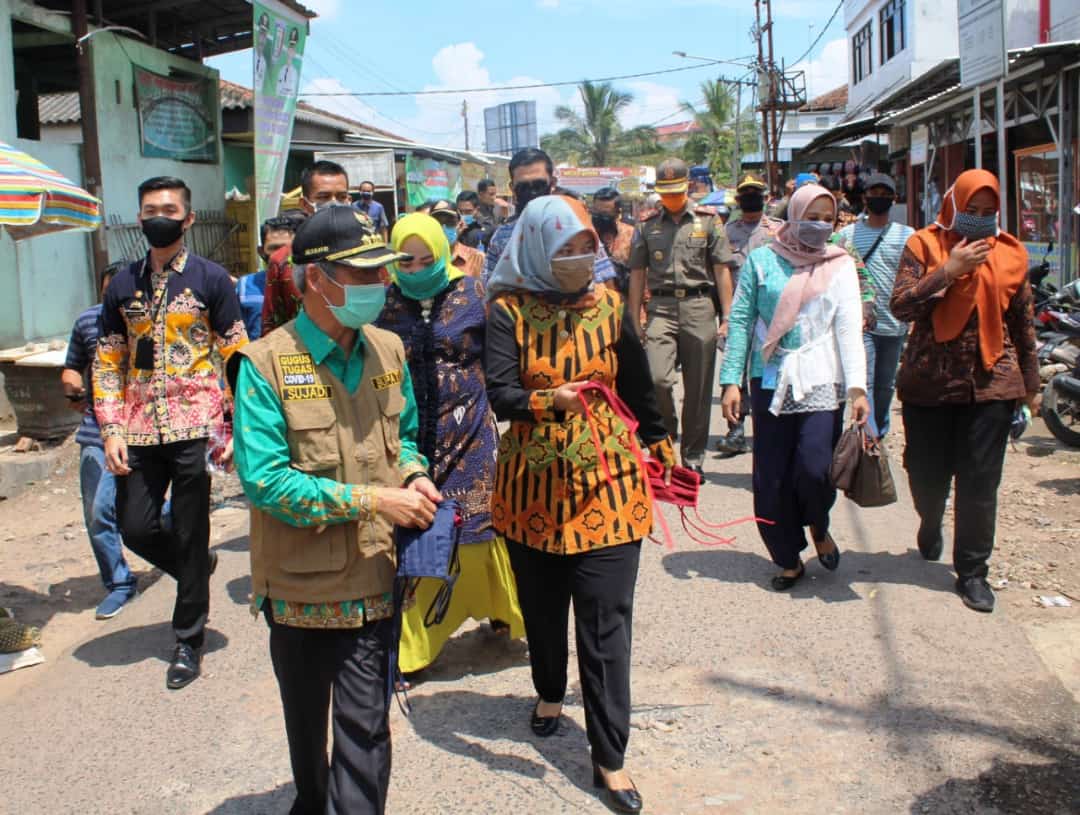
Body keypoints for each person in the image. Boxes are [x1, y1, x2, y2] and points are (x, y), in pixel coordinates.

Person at [231, 206, 439, 815]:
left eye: (383, 275)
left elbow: (404, 437)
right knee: (307, 730)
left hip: (374, 577)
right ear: (317, 279)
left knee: (365, 730)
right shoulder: (264, 363)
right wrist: (375, 500)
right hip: (299, 587)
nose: (381, 287)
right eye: (365, 275)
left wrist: (416, 474)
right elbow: (266, 482)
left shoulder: (389, 348)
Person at [484, 194, 675, 815]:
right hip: (531, 489)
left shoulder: (611, 302)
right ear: (538, 247)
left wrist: (659, 441)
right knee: (542, 611)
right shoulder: (507, 311)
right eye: (565, 248)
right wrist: (550, 401)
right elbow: (502, 392)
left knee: (605, 621)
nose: (579, 257)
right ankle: (547, 691)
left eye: (586, 245)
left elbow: (639, 379)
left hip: (609, 479)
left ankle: (610, 758)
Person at [94, 176, 248, 689]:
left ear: (188, 219)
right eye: (150, 208)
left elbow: (236, 352)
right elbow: (108, 361)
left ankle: (188, 640)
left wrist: (234, 426)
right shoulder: (121, 284)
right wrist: (111, 428)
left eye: (169, 208)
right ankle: (195, 567)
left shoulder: (211, 280)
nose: (158, 215)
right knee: (135, 526)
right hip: (138, 427)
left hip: (195, 425)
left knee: (189, 526)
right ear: (139, 218)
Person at [376, 212, 524, 676]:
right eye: (407, 262)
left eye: (426, 260)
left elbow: (506, 351)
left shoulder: (475, 293)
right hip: (408, 437)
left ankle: (502, 610)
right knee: (417, 528)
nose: (416, 271)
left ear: (443, 252)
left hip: (471, 433)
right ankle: (416, 645)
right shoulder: (383, 303)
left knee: (477, 527)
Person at [890, 169, 1039, 614]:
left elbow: (1023, 324)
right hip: (928, 384)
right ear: (952, 204)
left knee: (979, 483)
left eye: (987, 213)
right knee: (926, 473)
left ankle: (973, 572)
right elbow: (901, 306)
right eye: (970, 211)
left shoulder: (1012, 254)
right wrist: (949, 271)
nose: (977, 220)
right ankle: (930, 520)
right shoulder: (924, 244)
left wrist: (1031, 386)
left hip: (992, 384)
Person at [719, 183, 869, 591]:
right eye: (811, 217)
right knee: (771, 479)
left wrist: (857, 387)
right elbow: (741, 320)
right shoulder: (763, 261)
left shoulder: (839, 264)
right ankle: (787, 557)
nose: (819, 226)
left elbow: (847, 327)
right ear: (792, 215)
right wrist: (731, 380)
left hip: (821, 378)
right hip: (769, 379)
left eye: (827, 218)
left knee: (815, 469)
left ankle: (818, 525)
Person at [627, 158, 735, 480]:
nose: (671, 197)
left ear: (687, 186)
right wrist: (633, 319)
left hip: (700, 307)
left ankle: (693, 456)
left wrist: (727, 316)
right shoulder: (646, 226)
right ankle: (665, 443)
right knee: (658, 379)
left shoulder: (709, 221)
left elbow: (721, 270)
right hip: (660, 308)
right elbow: (636, 274)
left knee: (699, 388)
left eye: (676, 191)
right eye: (665, 192)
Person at [61, 262, 138, 620]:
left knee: (146, 510)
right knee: (97, 510)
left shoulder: (152, 318)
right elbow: (73, 365)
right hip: (97, 429)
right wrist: (72, 386)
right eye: (110, 291)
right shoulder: (87, 322)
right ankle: (119, 583)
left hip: (146, 428)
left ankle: (183, 552)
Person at [838, 173, 914, 438]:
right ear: (864, 198)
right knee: (865, 380)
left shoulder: (907, 236)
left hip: (894, 324)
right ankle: (866, 436)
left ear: (894, 199)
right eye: (874, 193)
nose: (878, 199)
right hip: (861, 322)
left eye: (885, 194)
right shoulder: (847, 235)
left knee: (885, 385)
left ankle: (879, 432)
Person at [717, 174, 786, 457]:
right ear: (738, 200)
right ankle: (735, 431)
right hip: (737, 313)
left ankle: (771, 428)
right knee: (735, 372)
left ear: (766, 198)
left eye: (755, 194)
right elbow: (719, 275)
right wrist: (723, 317)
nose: (750, 199)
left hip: (770, 316)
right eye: (745, 194)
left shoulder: (779, 230)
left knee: (767, 373)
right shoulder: (726, 232)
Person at [483, 148, 617, 290]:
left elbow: (605, 286)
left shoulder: (576, 227)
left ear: (552, 183)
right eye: (523, 187)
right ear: (512, 188)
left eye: (539, 185)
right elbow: (489, 288)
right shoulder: (503, 236)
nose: (532, 192)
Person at [262, 161, 355, 336]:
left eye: (341, 197)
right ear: (304, 204)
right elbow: (271, 326)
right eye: (323, 197)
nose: (333, 204)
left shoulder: (367, 255)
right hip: (300, 358)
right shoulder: (282, 261)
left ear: (349, 201)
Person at [239, 213, 303, 342]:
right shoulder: (245, 286)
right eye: (274, 248)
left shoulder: (309, 284)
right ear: (261, 252)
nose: (280, 256)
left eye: (286, 249)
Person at [591, 187, 635, 293]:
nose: (600, 217)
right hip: (593, 300)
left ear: (617, 213)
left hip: (623, 300)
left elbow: (640, 272)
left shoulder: (631, 234)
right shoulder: (585, 234)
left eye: (605, 214)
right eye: (596, 212)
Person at [428, 199, 485, 278]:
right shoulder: (425, 260)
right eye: (438, 222)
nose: (443, 227)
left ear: (460, 224)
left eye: (450, 222)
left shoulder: (476, 258)